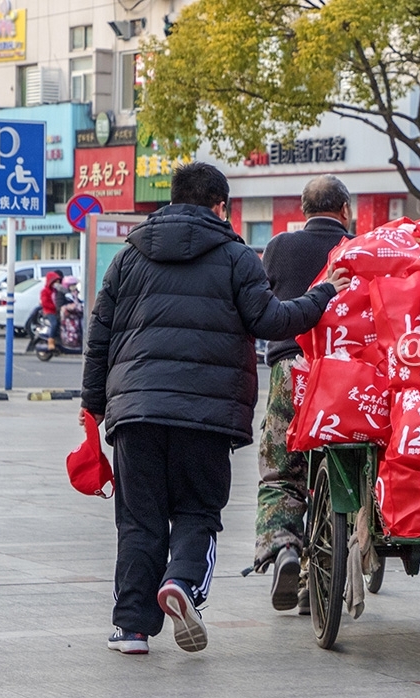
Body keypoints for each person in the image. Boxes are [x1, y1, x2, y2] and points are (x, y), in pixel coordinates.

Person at [79, 161, 350, 656]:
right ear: (220, 205)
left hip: (135, 412)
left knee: (139, 520)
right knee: (197, 511)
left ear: (173, 199)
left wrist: (93, 407)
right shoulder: (235, 256)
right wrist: (323, 293)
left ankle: (131, 629)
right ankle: (182, 584)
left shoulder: (129, 255)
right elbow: (271, 319)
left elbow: (100, 337)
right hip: (206, 416)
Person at [252, 174, 354, 614]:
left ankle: (285, 549)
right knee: (344, 470)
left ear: (303, 210)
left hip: (291, 369)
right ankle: (324, 583)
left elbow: (267, 298)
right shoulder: (357, 249)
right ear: (345, 211)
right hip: (347, 377)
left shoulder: (278, 247)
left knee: (281, 468)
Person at [39, 270, 64, 351]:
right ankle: (51, 341)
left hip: (56, 311)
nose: (56, 283)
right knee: (54, 323)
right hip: (49, 312)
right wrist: (55, 307)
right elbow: (45, 303)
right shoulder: (45, 291)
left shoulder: (57, 291)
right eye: (55, 281)